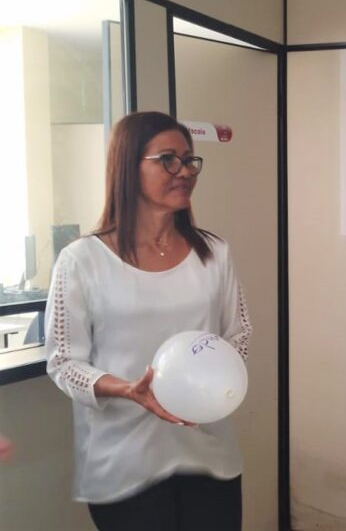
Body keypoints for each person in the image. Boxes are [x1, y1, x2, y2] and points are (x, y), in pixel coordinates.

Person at [45, 112, 251, 531]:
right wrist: (130, 390)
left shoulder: (214, 253)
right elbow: (63, 361)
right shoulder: (82, 260)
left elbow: (239, 333)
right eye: (168, 160)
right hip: (123, 462)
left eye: (189, 160)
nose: (185, 171)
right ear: (128, 166)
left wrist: (215, 385)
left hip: (207, 455)